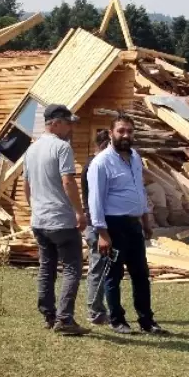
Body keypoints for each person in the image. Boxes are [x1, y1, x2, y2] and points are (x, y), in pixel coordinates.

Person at [87, 113, 167, 335]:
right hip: (113, 225)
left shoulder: (135, 158)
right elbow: (96, 201)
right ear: (111, 133)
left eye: (129, 131)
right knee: (114, 274)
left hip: (134, 225)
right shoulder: (101, 163)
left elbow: (139, 190)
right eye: (121, 131)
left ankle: (147, 320)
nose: (125, 135)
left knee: (141, 274)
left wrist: (146, 219)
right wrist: (102, 234)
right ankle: (117, 320)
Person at [22, 104, 89, 335]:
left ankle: (49, 314)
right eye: (68, 123)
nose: (71, 128)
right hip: (61, 218)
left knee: (47, 267)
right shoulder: (62, 148)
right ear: (56, 123)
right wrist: (79, 212)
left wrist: (35, 209)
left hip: (39, 220)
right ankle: (65, 319)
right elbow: (68, 182)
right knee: (72, 267)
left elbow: (26, 186)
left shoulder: (31, 150)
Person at [82, 129, 113, 324]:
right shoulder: (95, 165)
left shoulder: (92, 164)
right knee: (98, 267)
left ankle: (100, 307)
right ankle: (95, 311)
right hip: (96, 224)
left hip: (97, 222)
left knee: (102, 267)